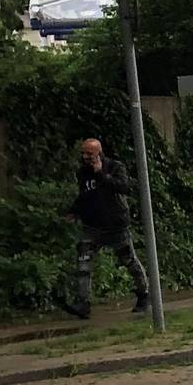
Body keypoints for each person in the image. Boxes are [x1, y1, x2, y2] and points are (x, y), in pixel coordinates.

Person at [65, 137, 150, 319]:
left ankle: (144, 296)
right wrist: (74, 211)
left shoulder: (114, 167)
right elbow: (84, 194)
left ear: (99, 153)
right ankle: (83, 303)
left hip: (116, 226)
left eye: (90, 153)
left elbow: (124, 187)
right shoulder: (82, 173)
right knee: (83, 263)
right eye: (83, 153)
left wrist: (101, 174)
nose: (86, 157)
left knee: (130, 261)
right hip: (92, 227)